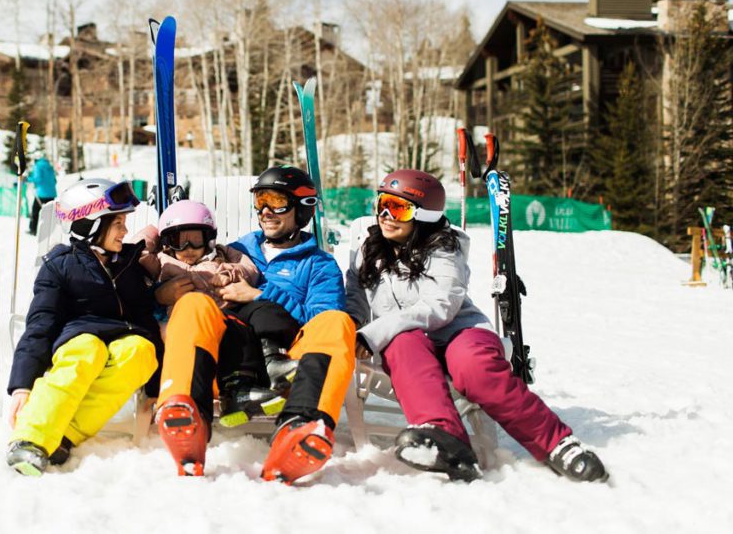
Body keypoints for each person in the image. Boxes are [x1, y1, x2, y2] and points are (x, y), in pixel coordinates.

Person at [346, 169, 609, 483]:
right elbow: (355, 299)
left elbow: (439, 306)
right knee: (402, 344)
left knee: (474, 368)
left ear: (424, 215)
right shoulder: (369, 246)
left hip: (459, 331)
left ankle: (556, 442)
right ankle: (444, 437)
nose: (386, 215)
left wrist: (376, 331)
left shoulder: (445, 246)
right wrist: (349, 326)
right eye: (382, 204)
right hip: (407, 340)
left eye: (398, 208)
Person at [154, 166, 356, 484]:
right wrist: (160, 294)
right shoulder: (236, 251)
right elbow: (163, 253)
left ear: (301, 208)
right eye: (259, 200)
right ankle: (185, 412)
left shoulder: (319, 265)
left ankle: (301, 430)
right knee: (193, 303)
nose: (265, 211)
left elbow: (319, 323)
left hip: (290, 374)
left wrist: (262, 293)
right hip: (220, 368)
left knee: (337, 322)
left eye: (275, 201)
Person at [5, 179, 163, 476]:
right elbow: (41, 323)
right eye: (118, 223)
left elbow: (145, 319)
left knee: (142, 351)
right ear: (91, 224)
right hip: (80, 335)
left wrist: (155, 389)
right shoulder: (60, 266)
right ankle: (30, 439)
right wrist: (22, 384)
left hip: (125, 335)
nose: (125, 231)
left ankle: (64, 437)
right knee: (85, 351)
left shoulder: (129, 264)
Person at [141, 200, 282, 427]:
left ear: (209, 239)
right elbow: (138, 252)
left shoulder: (223, 256)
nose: (187, 248)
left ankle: (239, 392)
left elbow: (250, 269)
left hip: (221, 321)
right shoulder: (162, 262)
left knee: (240, 331)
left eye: (196, 240)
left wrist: (229, 272)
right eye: (178, 241)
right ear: (166, 243)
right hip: (182, 326)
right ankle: (182, 400)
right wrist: (154, 230)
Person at [27, 154, 58, 236]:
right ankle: (50, 231)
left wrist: (28, 179)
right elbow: (55, 180)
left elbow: (37, 179)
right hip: (51, 193)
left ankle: (33, 229)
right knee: (50, 213)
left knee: (35, 212)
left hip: (41, 194)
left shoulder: (38, 166)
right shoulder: (50, 166)